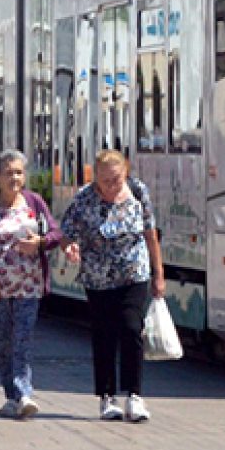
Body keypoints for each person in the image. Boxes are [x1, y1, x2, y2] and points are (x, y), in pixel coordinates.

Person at [59, 149, 164, 423]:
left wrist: (158, 273)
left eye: (115, 179)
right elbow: (66, 231)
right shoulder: (84, 198)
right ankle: (107, 398)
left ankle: (135, 396)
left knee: (131, 327)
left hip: (134, 271)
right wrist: (69, 246)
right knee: (104, 334)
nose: (110, 186)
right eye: (104, 181)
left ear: (125, 173)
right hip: (98, 276)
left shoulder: (138, 191)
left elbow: (150, 232)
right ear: (96, 178)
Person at [0, 150, 63, 419]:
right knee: (2, 344)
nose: (15, 178)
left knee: (22, 341)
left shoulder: (34, 202)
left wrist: (40, 243)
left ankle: (23, 394)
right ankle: (11, 396)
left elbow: (55, 233)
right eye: (9, 173)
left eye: (19, 172)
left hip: (28, 287)